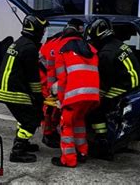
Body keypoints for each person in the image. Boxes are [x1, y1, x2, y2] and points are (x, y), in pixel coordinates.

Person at [86, 17, 140, 160]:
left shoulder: (105, 53)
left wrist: (95, 99)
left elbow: (104, 82)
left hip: (124, 87)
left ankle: (102, 142)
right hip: (137, 85)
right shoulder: (118, 44)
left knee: (96, 110)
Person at [0, 15, 47, 163]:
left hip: (8, 89)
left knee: (23, 116)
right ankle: (17, 151)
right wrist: (38, 96)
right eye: (41, 30)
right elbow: (33, 77)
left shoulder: (20, 43)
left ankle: (24, 143)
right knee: (32, 119)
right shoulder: (29, 47)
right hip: (14, 91)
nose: (43, 33)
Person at [52, 18, 100, 168]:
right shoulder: (91, 49)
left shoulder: (62, 49)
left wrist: (60, 100)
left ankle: (69, 160)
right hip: (92, 95)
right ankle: (82, 153)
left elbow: (62, 80)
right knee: (78, 122)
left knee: (66, 125)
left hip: (74, 95)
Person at [39, 30, 63, 148]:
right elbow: (49, 67)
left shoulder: (58, 41)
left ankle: (52, 131)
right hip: (45, 78)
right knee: (49, 107)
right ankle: (47, 134)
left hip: (50, 77)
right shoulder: (57, 44)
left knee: (53, 107)